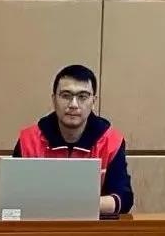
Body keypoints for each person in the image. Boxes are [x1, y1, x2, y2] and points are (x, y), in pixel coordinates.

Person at [12, 65, 134, 215]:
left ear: (93, 101)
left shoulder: (111, 141)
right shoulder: (28, 141)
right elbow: (12, 200)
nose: (73, 104)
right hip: (39, 225)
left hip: (92, 227)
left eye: (82, 96)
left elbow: (124, 199)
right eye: (66, 95)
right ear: (54, 99)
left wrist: (67, 204)